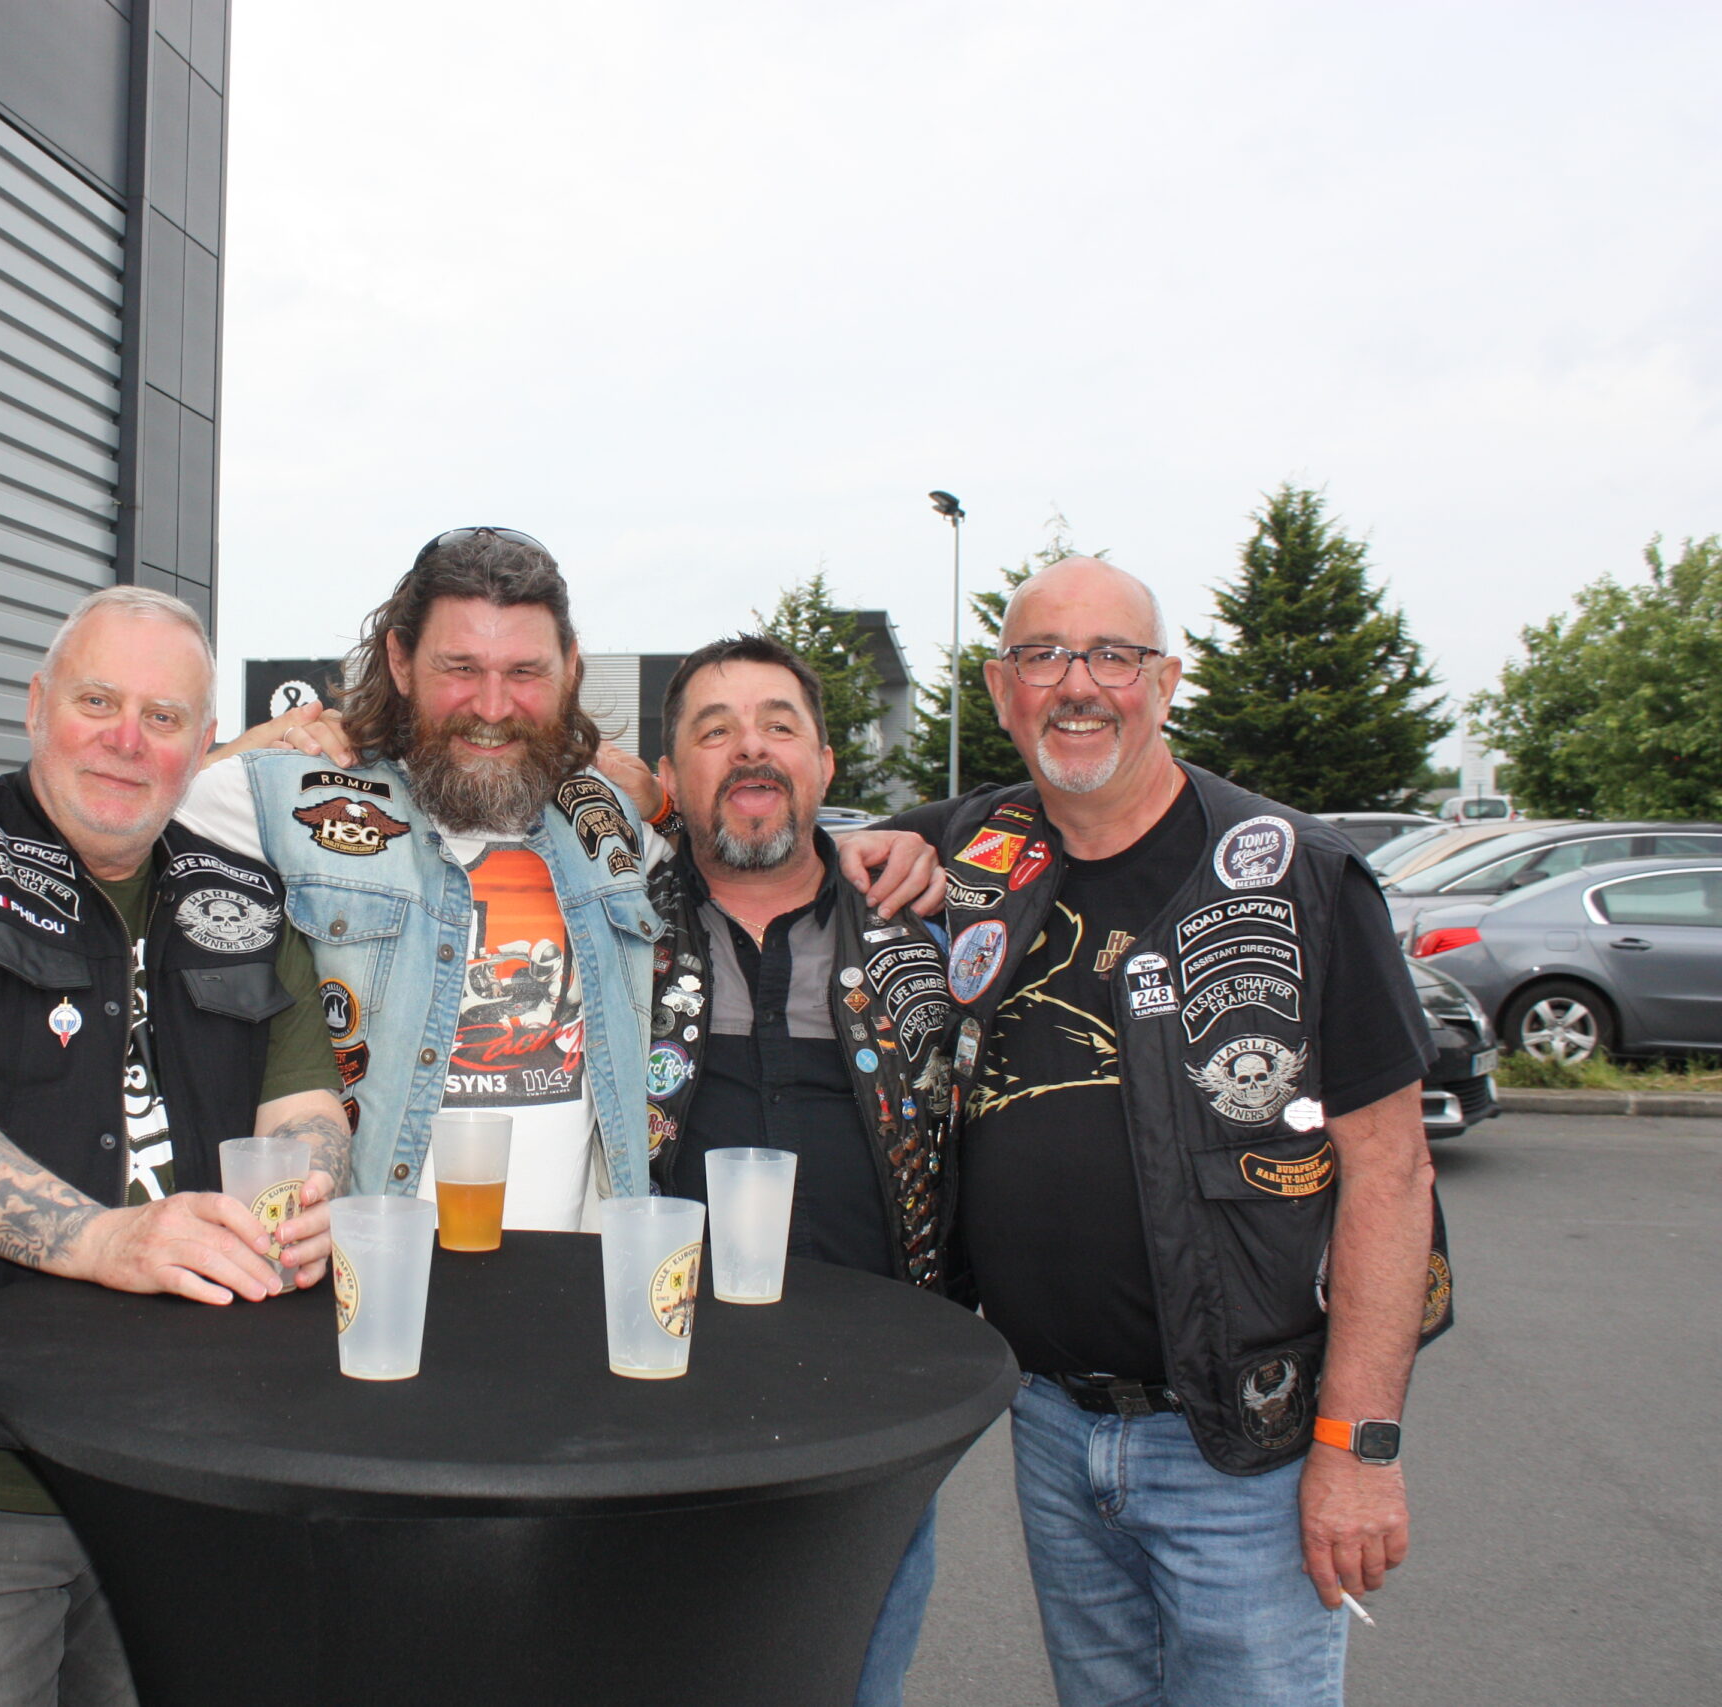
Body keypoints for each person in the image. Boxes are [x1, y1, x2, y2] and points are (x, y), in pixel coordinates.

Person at [850, 556, 1448, 1706]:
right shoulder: (978, 847)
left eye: (1112, 656)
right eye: (1042, 657)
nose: (1077, 685)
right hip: (1050, 1425)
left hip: (1242, 1446)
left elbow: (1391, 1170)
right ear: (1000, 690)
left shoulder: (1297, 876)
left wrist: (1358, 1446)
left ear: (1165, 683)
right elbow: (787, 832)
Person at [0, 585, 349, 1707]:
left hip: (185, 1467)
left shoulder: (247, 898)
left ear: (203, 743)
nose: (126, 739)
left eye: (163, 717)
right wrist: (109, 1240)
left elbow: (306, 1107)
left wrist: (308, 1199)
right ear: (36, 706)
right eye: (97, 701)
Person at [180, 527, 666, 1225]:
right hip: (366, 1268)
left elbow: (738, 864)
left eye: (525, 672)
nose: (493, 706)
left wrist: (667, 807)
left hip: (577, 1273)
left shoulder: (610, 818)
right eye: (461, 667)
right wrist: (245, 748)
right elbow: (125, 818)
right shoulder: (287, 795)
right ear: (401, 662)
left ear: (570, 668)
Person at [639, 634, 950, 1707]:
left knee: (853, 1683)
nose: (750, 749)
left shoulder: (926, 928)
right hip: (656, 1411)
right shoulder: (613, 927)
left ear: (824, 765)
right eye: (713, 731)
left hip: (872, 1409)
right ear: (668, 777)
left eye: (779, 725)